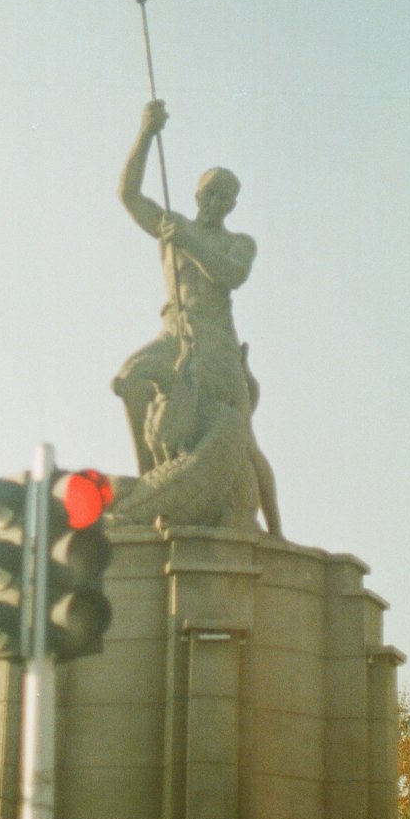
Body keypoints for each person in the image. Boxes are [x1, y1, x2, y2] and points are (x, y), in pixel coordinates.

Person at [113, 100, 281, 536]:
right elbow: (128, 196)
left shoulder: (239, 241)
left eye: (224, 197)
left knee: (242, 437)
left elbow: (231, 275)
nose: (215, 202)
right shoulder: (172, 227)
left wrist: (189, 240)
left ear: (233, 204)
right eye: (210, 193)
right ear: (197, 195)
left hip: (216, 339)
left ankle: (273, 525)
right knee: (131, 377)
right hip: (176, 333)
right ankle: (155, 483)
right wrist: (146, 132)